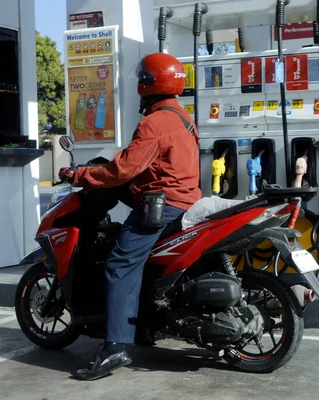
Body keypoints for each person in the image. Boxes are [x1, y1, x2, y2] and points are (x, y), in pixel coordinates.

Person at [58, 52, 201, 380]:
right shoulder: (183, 118)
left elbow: (123, 169)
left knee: (120, 264)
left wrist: (81, 175)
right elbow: (151, 166)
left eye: (142, 77)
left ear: (149, 83)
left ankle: (114, 347)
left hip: (162, 207)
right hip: (185, 202)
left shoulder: (154, 122)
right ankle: (144, 325)